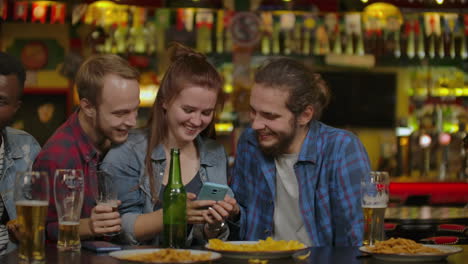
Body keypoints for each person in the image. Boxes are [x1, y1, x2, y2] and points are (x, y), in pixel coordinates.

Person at [101, 43, 237, 246]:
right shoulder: (127, 151)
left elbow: (212, 238)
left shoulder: (214, 153)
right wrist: (174, 214)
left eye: (206, 113)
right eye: (188, 110)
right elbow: (118, 229)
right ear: (164, 101)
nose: (197, 121)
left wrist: (216, 224)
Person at [229, 58, 370, 246]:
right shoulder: (249, 142)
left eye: (270, 115)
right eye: (253, 111)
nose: (256, 124)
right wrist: (230, 214)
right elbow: (241, 223)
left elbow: (355, 237)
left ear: (304, 115)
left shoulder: (342, 148)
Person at [32, 54, 140, 241]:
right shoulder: (58, 156)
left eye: (135, 109)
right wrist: (89, 226)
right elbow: (39, 231)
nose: (132, 122)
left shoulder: (114, 138)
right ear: (88, 107)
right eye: (120, 113)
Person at [0, 52, 41, 254]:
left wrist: (27, 232)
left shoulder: (27, 150)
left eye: (1, 102)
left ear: (16, 107)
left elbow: (40, 226)